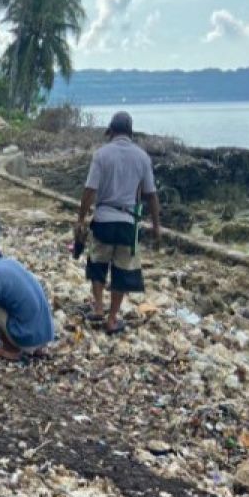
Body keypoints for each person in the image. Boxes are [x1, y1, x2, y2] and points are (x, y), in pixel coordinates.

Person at [77, 111, 161, 335]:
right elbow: (151, 194)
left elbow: (90, 190)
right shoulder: (142, 157)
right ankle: (112, 319)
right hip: (127, 222)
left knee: (97, 264)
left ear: (111, 132)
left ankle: (97, 307)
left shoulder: (101, 155)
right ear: (130, 132)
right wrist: (156, 226)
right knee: (122, 271)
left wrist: (81, 219)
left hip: (103, 219)